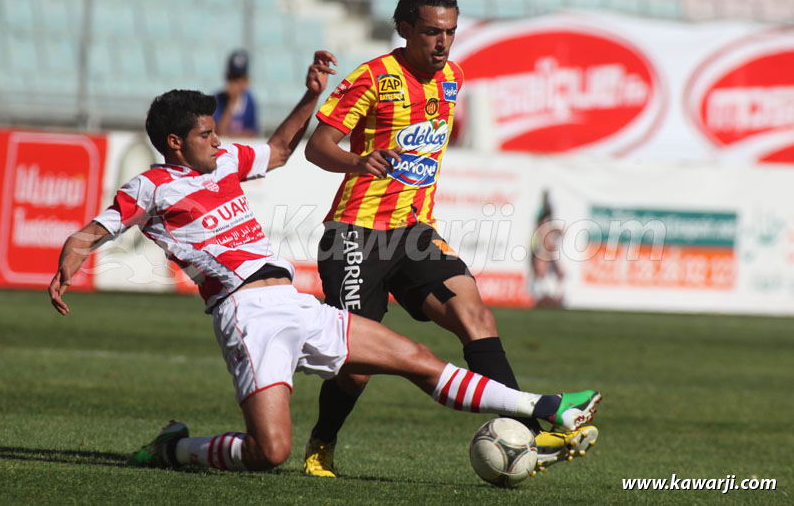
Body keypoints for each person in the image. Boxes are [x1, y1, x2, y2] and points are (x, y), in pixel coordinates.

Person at [47, 57, 601, 475]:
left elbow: (283, 148)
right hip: (246, 314)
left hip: (292, 302)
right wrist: (66, 267)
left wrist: (310, 95)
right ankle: (178, 448)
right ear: (174, 142)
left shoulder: (227, 161)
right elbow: (90, 233)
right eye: (205, 134)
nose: (218, 141)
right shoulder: (150, 186)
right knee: (271, 453)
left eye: (216, 132)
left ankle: (547, 407)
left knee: (417, 358)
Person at [302, 0, 599, 477]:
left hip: (415, 232)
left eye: (450, 33)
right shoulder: (373, 78)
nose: (442, 43)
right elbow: (319, 146)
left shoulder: (453, 78)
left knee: (476, 316)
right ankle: (322, 440)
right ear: (404, 29)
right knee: (357, 365)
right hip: (356, 234)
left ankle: (524, 428)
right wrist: (358, 160)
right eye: (431, 32)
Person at [214, 49, 260, 137]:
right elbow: (219, 133)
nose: (236, 82)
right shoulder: (217, 100)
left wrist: (231, 135)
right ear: (227, 77)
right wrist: (231, 102)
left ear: (246, 80)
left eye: (240, 78)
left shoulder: (249, 100)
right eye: (233, 78)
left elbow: (253, 132)